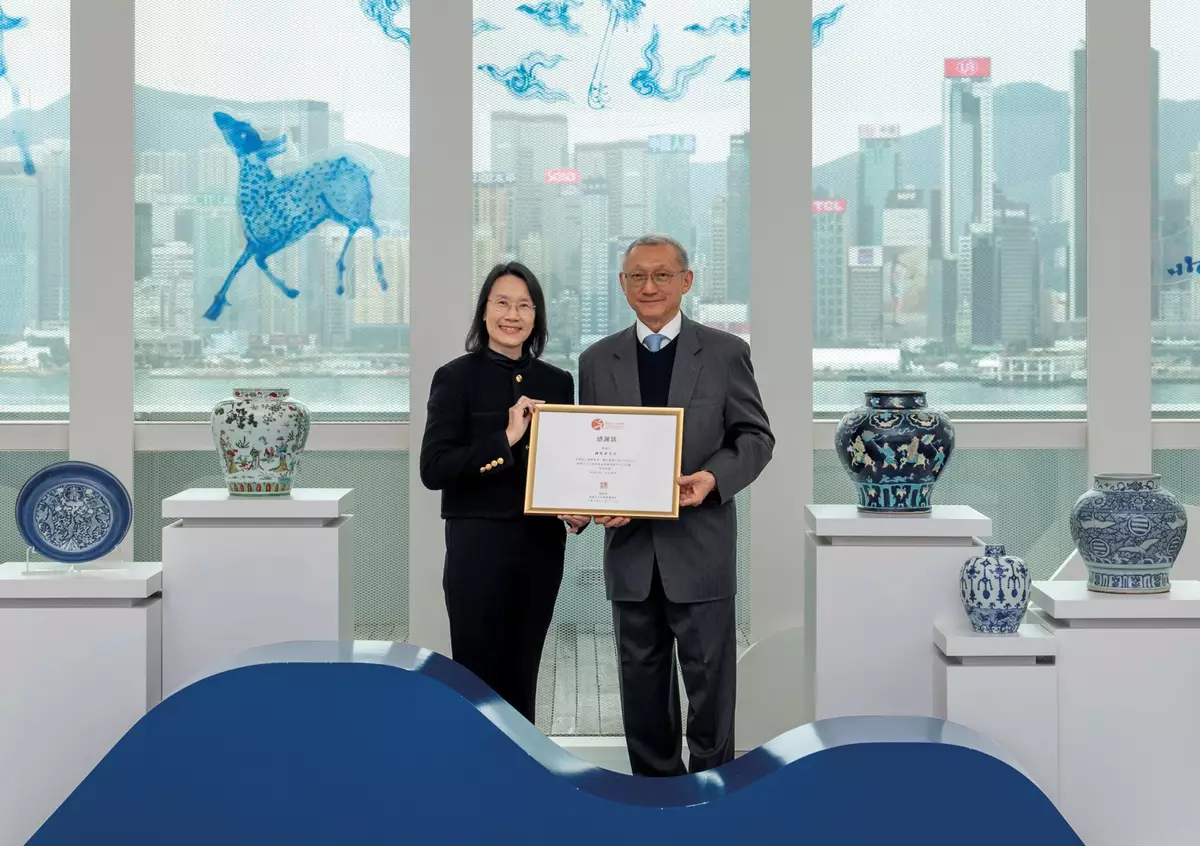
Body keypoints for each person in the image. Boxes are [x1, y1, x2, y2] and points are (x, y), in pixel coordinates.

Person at [578, 235, 774, 776]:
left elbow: (756, 438)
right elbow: (592, 450)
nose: (650, 286)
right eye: (637, 276)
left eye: (662, 275)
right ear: (622, 285)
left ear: (686, 281)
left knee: (710, 692)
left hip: (701, 549)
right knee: (642, 695)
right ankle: (654, 799)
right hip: (631, 554)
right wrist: (592, 501)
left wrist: (712, 478)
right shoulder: (596, 360)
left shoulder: (725, 353)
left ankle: (713, 800)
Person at [420, 262, 589, 722]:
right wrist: (507, 438)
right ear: (484, 311)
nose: (512, 315)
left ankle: (523, 766)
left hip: (540, 547)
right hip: (478, 546)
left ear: (537, 316)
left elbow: (563, 463)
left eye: (524, 305)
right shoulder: (454, 378)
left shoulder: (557, 382)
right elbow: (434, 468)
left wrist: (576, 507)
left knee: (524, 671)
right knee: (477, 676)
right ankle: (476, 765)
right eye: (502, 303)